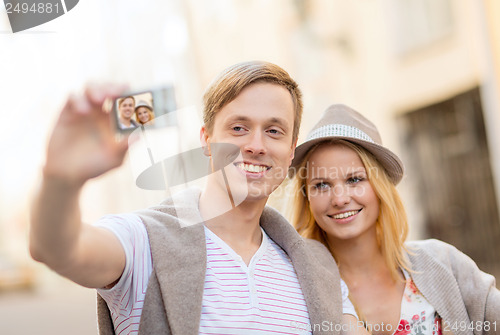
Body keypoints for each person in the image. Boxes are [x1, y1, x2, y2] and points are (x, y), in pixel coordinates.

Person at [29, 62, 367, 335]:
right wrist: (61, 181)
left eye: (274, 130)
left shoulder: (315, 268)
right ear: (206, 140)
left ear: (291, 152)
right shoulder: (143, 241)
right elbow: (58, 248)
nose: (256, 145)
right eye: (238, 128)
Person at [288, 104, 500, 335]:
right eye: (321, 185)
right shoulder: (298, 292)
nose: (339, 199)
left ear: (380, 188)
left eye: (354, 180)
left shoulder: (444, 263)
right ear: (307, 198)